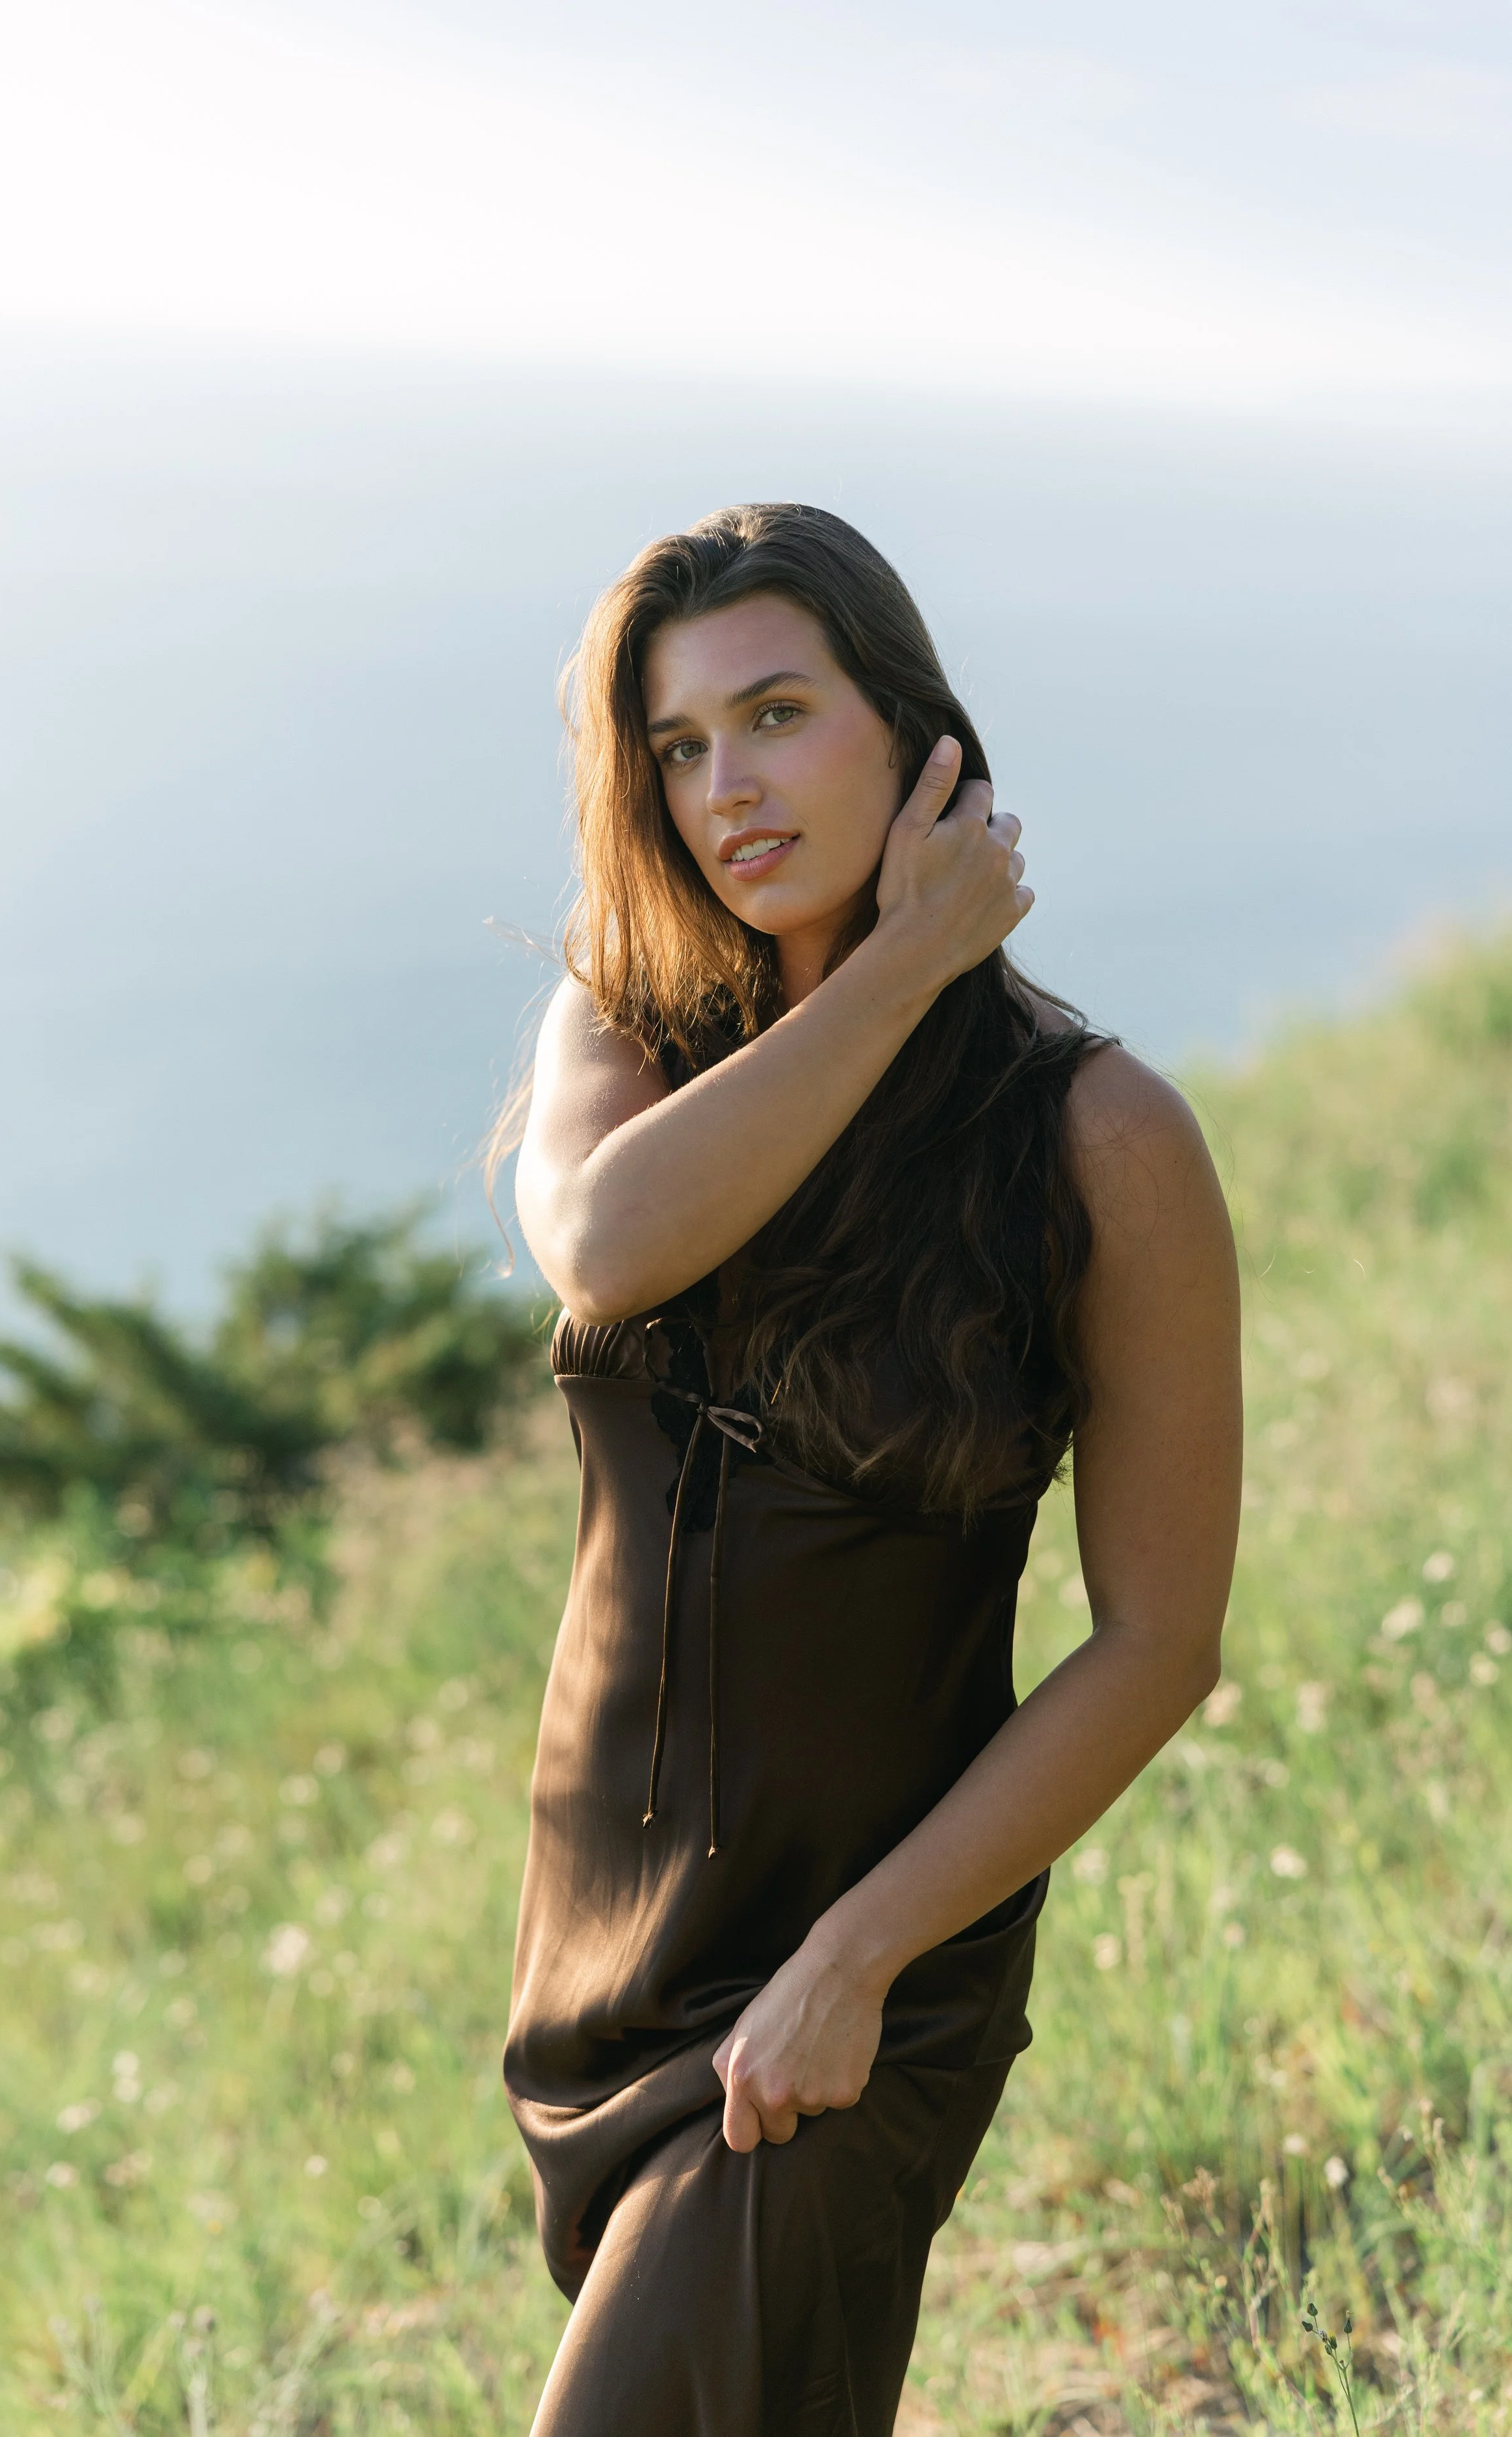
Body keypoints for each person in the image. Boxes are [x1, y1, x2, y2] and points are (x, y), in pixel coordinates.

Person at [500, 503, 1241, 2434]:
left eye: (774, 714)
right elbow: (604, 1245)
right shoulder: (625, 1032)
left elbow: (1156, 1643)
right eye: (676, 746)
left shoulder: (1097, 1137)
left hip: (866, 1960)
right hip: (602, 1947)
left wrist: (858, 1954)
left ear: (909, 733)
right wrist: (894, 970)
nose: (725, 786)